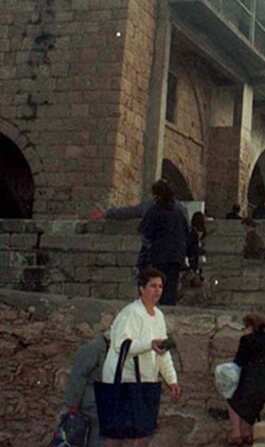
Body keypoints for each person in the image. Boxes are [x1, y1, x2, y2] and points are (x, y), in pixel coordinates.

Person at [101, 267, 181, 447]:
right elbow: (120, 344)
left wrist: (171, 379)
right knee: (118, 433)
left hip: (145, 380)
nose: (158, 290)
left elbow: (162, 350)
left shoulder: (158, 316)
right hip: (124, 380)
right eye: (153, 286)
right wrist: (148, 343)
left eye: (160, 286)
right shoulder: (130, 313)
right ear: (141, 288)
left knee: (142, 431)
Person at [226, 313, 265, 446]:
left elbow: (238, 362)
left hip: (259, 386)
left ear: (250, 327)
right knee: (249, 395)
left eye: (243, 328)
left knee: (232, 395)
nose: (242, 331)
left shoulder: (247, 340)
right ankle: (246, 433)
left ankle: (236, 434)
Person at [139, 180, 191, 306]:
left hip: (160, 253)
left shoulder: (155, 211)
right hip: (176, 255)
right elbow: (187, 231)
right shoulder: (179, 212)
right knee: (170, 287)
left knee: (156, 284)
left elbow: (145, 229)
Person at [65, 332, 110, 447]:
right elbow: (78, 376)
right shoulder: (92, 349)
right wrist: (73, 404)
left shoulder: (107, 351)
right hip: (90, 401)